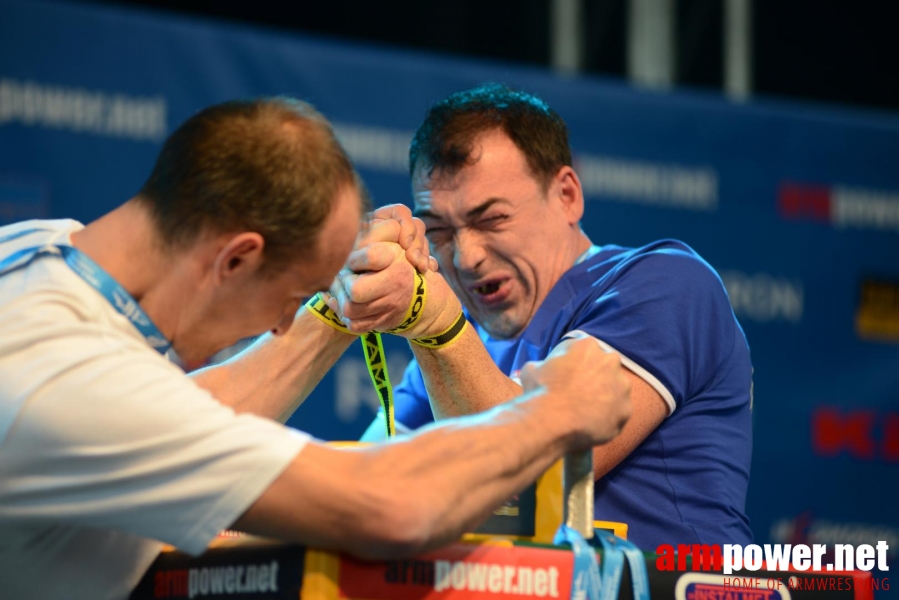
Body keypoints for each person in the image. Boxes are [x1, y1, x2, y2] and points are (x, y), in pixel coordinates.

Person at [0, 97, 632, 600]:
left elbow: (177, 416)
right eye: (291, 298)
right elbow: (391, 507)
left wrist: (338, 304)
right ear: (237, 258)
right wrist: (553, 411)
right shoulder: (70, 390)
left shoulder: (33, 253)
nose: (281, 327)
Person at [351, 83, 754, 550]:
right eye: (439, 230)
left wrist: (436, 325)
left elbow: (529, 476)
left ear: (567, 195)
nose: (465, 257)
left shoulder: (666, 283)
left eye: (491, 219)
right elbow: (362, 484)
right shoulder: (458, 344)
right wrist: (339, 302)